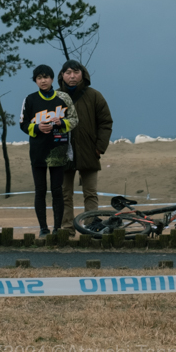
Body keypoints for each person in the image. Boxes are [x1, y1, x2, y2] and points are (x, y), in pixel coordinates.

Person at [19, 65, 78, 238]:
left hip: (58, 150)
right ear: (35, 81)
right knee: (40, 190)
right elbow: (23, 123)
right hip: (38, 151)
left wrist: (62, 123)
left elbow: (74, 119)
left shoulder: (63, 97)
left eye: (46, 77)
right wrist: (37, 127)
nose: (43, 81)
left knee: (57, 190)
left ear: (52, 79)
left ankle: (57, 228)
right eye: (39, 78)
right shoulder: (30, 99)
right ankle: (43, 228)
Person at [57, 61, 112, 231]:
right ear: (62, 75)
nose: (72, 76)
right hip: (62, 152)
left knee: (90, 193)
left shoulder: (94, 96)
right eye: (68, 72)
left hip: (89, 151)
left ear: (83, 74)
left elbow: (106, 123)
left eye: (76, 72)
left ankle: (91, 227)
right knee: (64, 194)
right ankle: (67, 228)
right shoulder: (55, 97)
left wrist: (99, 148)